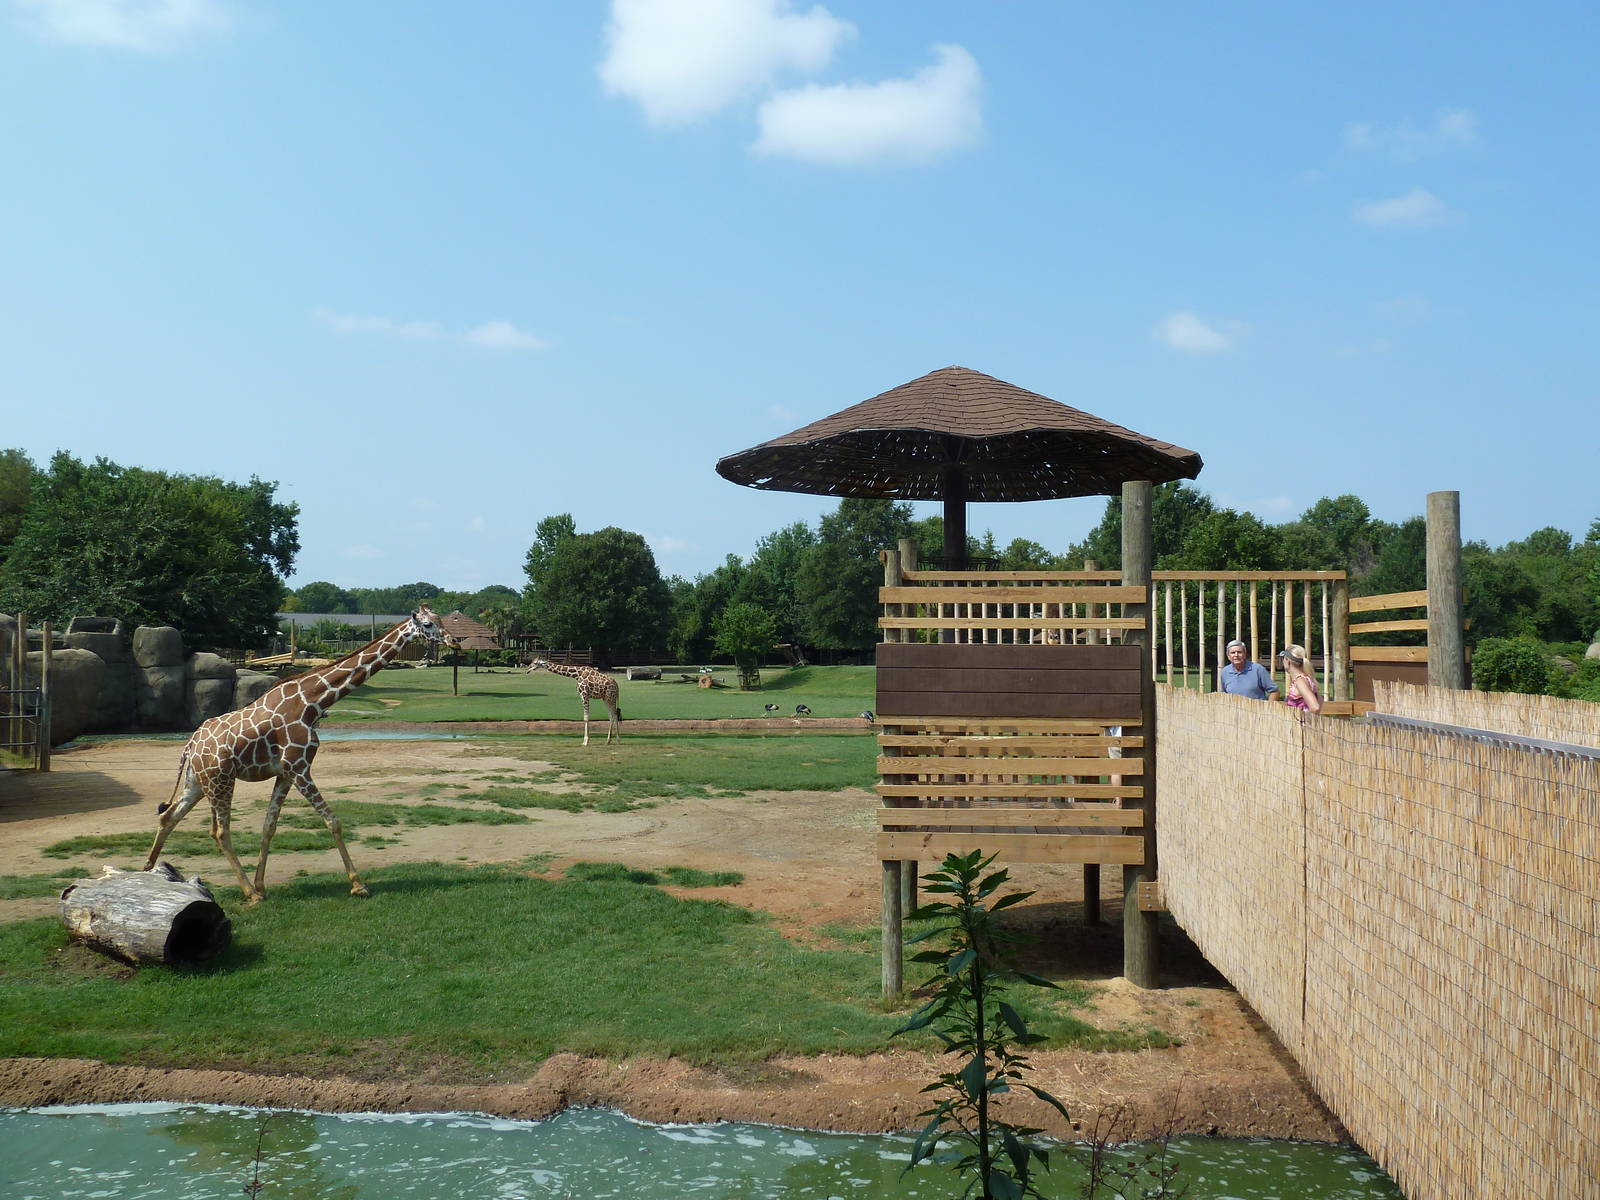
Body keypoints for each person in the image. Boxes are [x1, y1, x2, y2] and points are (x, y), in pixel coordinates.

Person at [1279, 645, 1323, 717]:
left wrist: (1302, 719)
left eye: (1283, 658)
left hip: (1301, 726)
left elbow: (1315, 707)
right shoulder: (1307, 678)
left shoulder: (1300, 682)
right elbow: (1320, 700)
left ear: (1288, 661)